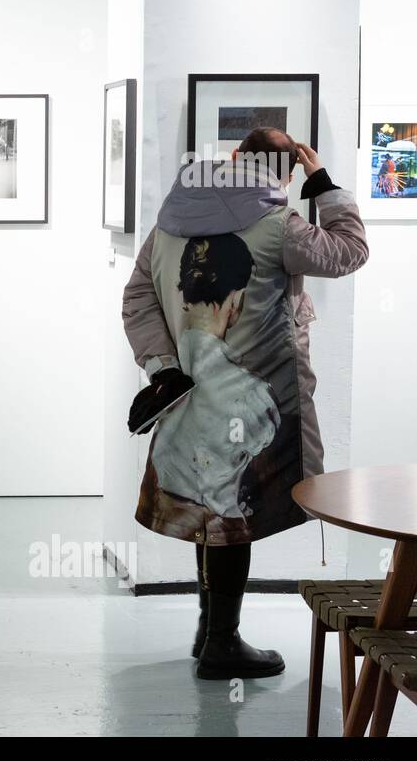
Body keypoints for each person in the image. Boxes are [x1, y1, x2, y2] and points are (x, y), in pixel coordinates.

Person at [123, 128, 367, 680]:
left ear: (232, 158)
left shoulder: (170, 218)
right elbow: (350, 252)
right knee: (232, 517)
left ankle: (211, 631)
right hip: (257, 396)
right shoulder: (280, 223)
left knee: (211, 516)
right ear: (284, 173)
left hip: (183, 395)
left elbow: (137, 296)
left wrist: (162, 368)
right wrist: (323, 183)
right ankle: (223, 644)